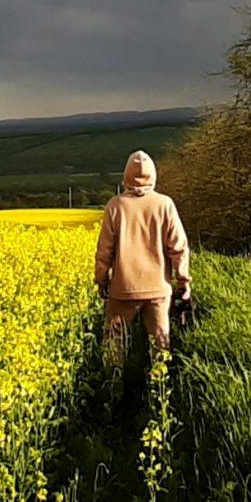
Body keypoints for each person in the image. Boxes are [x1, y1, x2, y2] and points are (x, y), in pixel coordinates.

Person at [94, 149, 190, 366]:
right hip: (158, 288)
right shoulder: (165, 204)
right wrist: (183, 279)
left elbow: (104, 251)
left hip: (122, 289)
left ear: (126, 175)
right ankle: (159, 389)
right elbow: (179, 247)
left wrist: (102, 280)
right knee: (160, 346)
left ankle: (112, 388)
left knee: (114, 346)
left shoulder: (115, 206)